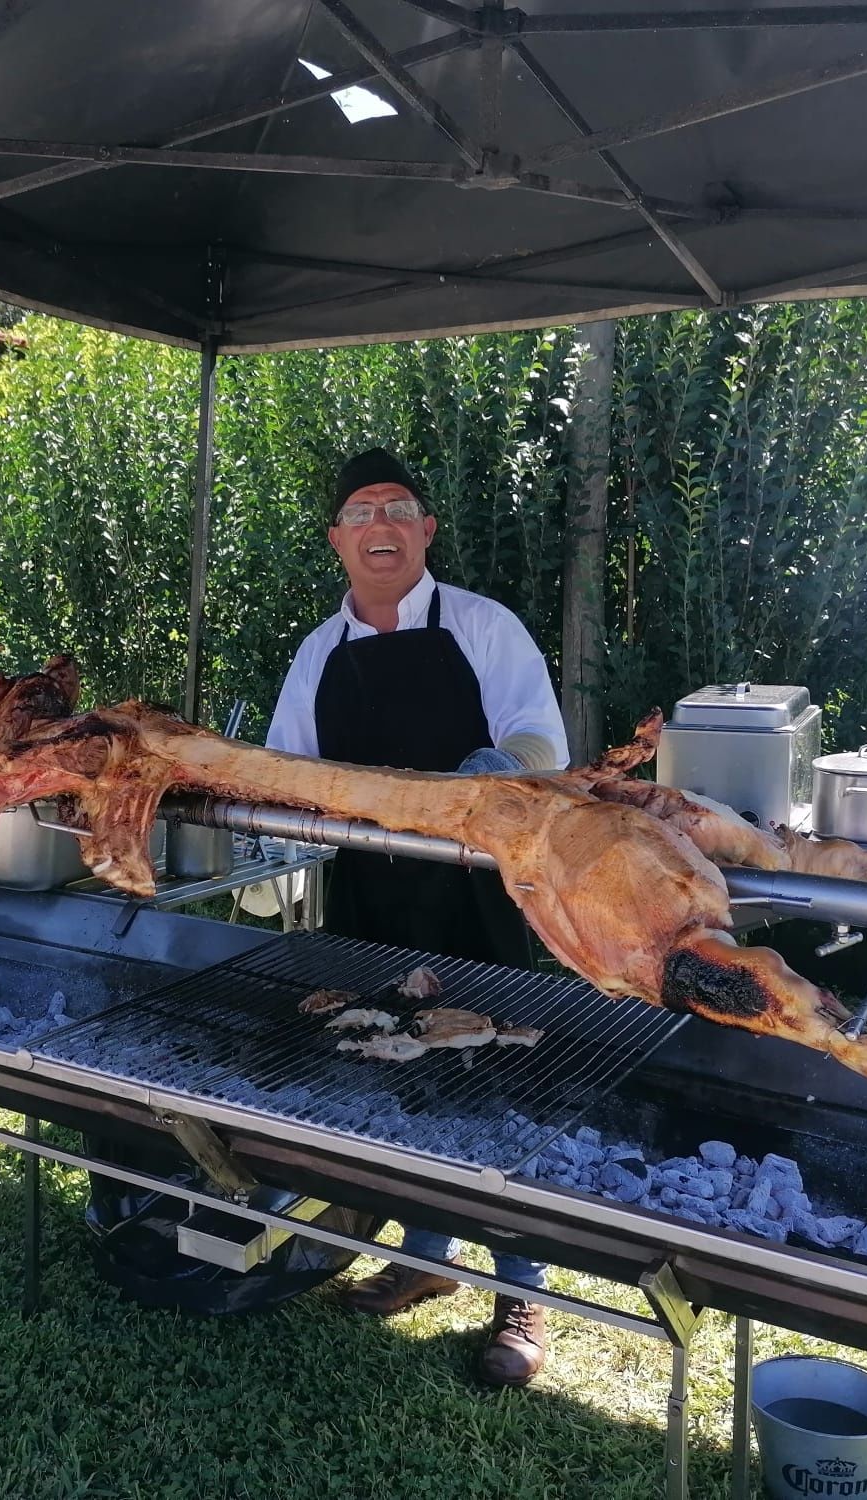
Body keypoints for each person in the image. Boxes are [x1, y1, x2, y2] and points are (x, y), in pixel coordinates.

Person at [266, 446, 569, 1387]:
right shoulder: (318, 655)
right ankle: (424, 1256)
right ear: (337, 542)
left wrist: (478, 779)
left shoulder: (484, 627)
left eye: (398, 509)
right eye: (360, 514)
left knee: (498, 1070)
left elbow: (539, 739)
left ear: (426, 531)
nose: (380, 527)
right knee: (395, 1071)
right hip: (370, 895)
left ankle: (524, 1289)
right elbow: (287, 775)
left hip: (482, 888)